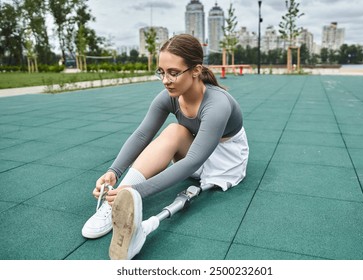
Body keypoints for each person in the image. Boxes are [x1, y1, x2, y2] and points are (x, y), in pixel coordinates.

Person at [81, 34, 249, 260]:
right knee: (174, 130)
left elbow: (193, 161)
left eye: (173, 72)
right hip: (196, 153)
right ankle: (113, 206)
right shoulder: (168, 97)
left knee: (174, 133)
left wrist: (136, 192)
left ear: (196, 70)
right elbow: (142, 135)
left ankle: (125, 196)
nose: (165, 80)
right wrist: (113, 172)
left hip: (224, 164)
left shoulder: (218, 104)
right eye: (161, 71)